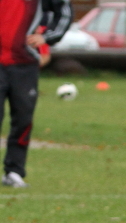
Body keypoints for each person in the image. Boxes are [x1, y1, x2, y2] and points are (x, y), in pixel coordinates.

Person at [0, 0, 73, 189]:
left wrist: (48, 36)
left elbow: (63, 9)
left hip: (24, 65)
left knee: (23, 119)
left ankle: (14, 172)